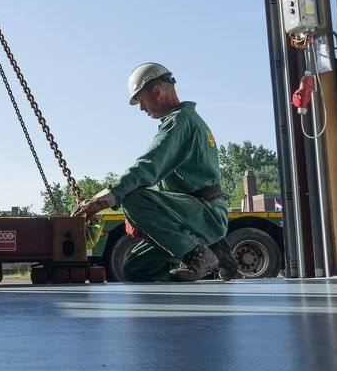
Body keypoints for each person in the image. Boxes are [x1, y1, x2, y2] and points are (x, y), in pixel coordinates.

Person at [73, 63, 238, 282]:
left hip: (203, 213)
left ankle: (195, 253)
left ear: (157, 91)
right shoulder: (188, 121)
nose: (142, 108)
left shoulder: (179, 122)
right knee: (134, 269)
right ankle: (211, 250)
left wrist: (108, 196)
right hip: (192, 215)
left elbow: (149, 165)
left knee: (130, 197)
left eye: (141, 100)